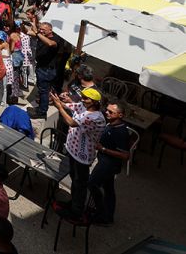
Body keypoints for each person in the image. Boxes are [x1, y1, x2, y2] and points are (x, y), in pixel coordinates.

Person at [51, 87, 106, 219]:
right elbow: (73, 106)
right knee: (74, 179)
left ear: (93, 102)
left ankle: (76, 211)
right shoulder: (85, 107)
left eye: (86, 98)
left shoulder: (94, 117)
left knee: (80, 183)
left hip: (83, 155)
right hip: (74, 151)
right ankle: (74, 203)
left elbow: (71, 122)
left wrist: (59, 107)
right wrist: (59, 101)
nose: (83, 99)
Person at [88, 102, 131, 225]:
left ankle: (101, 212)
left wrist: (103, 149)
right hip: (105, 161)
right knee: (109, 189)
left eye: (111, 112)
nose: (107, 113)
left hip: (109, 164)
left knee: (92, 184)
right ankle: (107, 216)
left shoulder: (121, 132)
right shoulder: (111, 124)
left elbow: (125, 155)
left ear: (120, 115)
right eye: (107, 110)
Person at [29, 20, 59, 119]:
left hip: (47, 70)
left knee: (44, 92)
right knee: (41, 90)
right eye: (40, 29)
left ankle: (42, 112)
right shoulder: (42, 36)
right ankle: (40, 108)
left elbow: (50, 44)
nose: (41, 31)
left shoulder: (55, 38)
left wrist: (37, 32)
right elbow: (29, 32)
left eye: (43, 29)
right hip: (41, 68)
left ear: (50, 30)